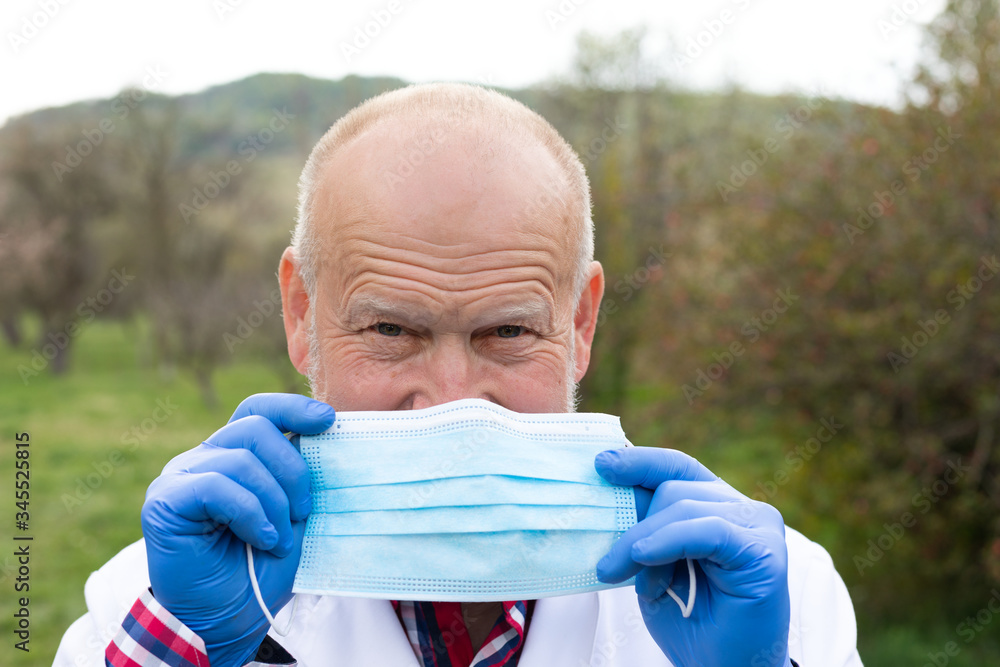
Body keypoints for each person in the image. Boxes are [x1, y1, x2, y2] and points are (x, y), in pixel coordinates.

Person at [55, 82, 862, 667]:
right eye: (391, 330)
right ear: (302, 313)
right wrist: (183, 653)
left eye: (507, 330)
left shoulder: (775, 599)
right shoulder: (148, 607)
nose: (451, 401)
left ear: (579, 324)